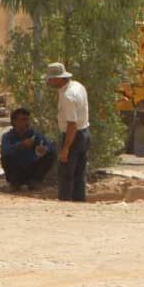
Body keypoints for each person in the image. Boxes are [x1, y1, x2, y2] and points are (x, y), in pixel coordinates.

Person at [45, 62, 90, 202]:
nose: (49, 81)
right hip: (85, 133)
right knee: (79, 174)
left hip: (73, 136)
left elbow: (72, 123)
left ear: (59, 78)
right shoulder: (77, 86)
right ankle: (79, 202)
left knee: (66, 173)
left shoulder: (67, 96)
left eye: (51, 79)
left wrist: (66, 148)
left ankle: (65, 204)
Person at [0, 107, 56, 191]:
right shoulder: (8, 136)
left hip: (31, 169)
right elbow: (5, 151)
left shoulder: (34, 135)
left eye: (27, 119)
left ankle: (34, 182)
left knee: (51, 155)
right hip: (16, 170)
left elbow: (50, 147)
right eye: (23, 119)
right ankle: (14, 184)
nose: (26, 123)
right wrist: (20, 145)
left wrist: (45, 149)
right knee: (5, 158)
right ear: (14, 121)